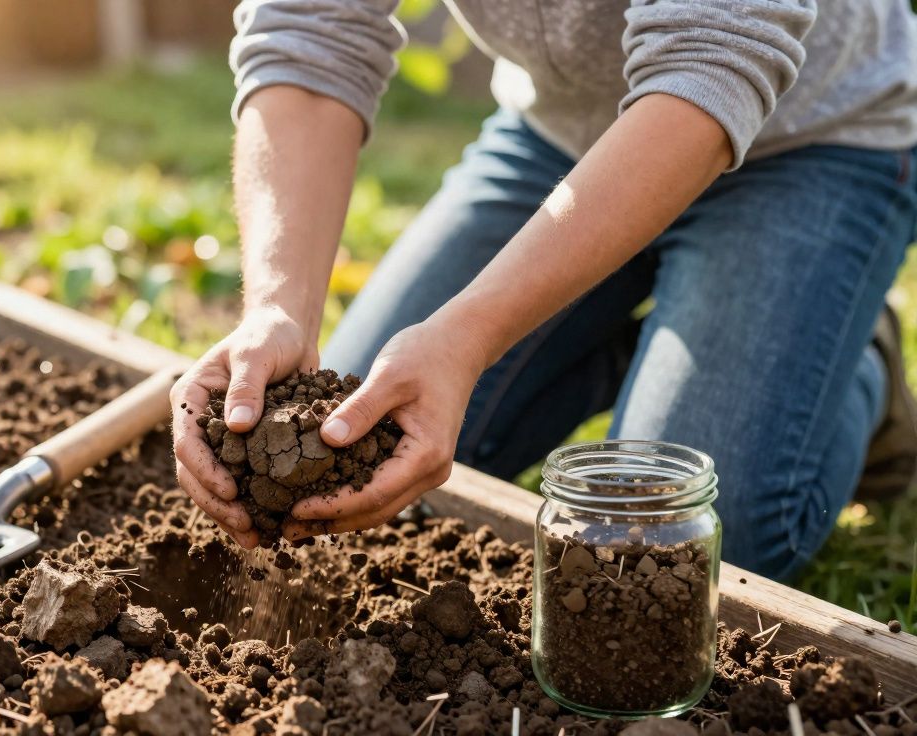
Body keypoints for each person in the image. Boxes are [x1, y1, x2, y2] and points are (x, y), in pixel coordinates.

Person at [170, 0, 917, 580]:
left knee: (678, 541)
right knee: (361, 463)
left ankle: (858, 366)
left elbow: (715, 54)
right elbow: (309, 31)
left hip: (810, 140)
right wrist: (278, 305)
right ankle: (657, 340)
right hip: (561, 138)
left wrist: (466, 335)